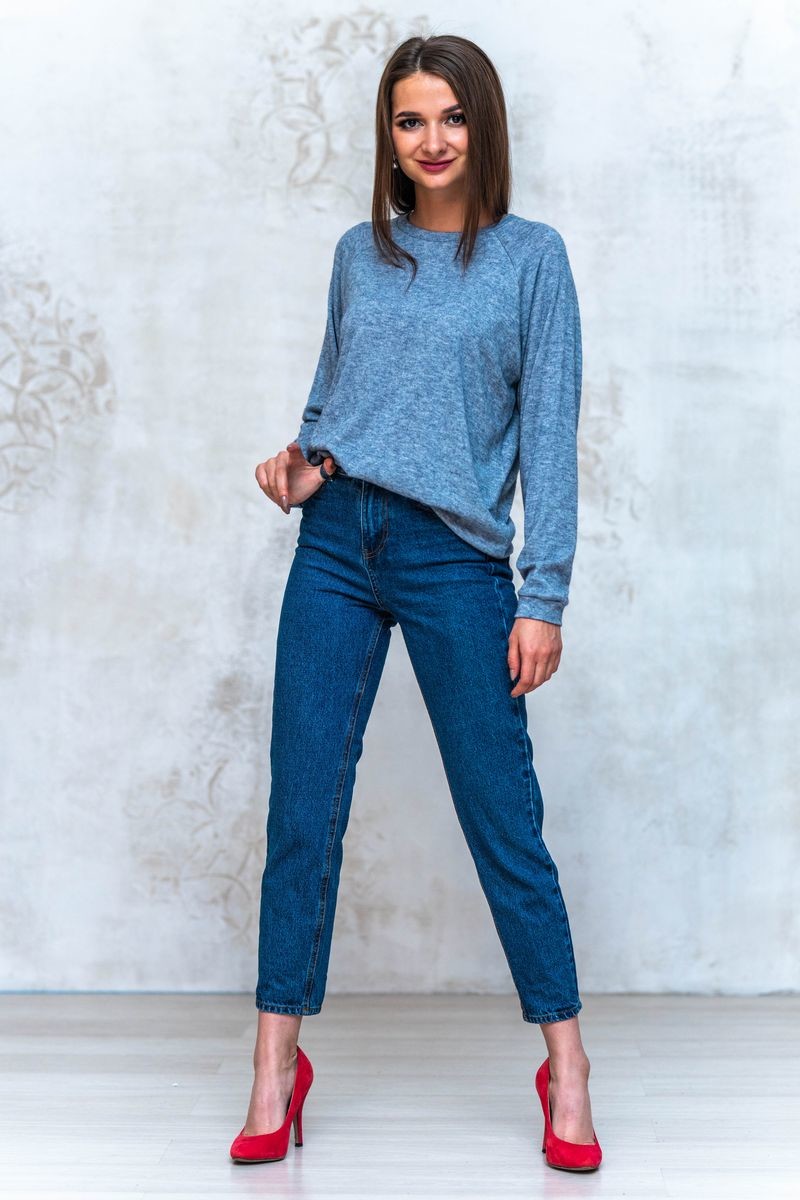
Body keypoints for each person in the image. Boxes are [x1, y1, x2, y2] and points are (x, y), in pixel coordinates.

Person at [229, 34, 602, 1174]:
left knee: (502, 815)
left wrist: (542, 596)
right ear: (387, 139)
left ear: (482, 126)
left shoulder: (532, 261)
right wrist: (300, 469)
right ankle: (274, 1069)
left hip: (453, 559)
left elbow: (548, 439)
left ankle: (567, 1067)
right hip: (337, 544)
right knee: (303, 810)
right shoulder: (360, 254)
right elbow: (328, 404)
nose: (431, 140)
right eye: (408, 121)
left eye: (450, 117)